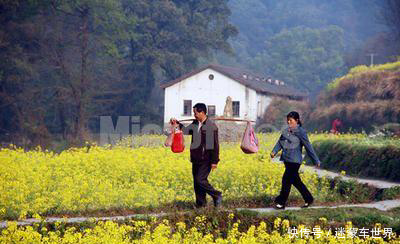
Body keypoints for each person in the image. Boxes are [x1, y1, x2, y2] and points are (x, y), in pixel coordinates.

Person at [170, 103, 222, 208]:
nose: (194, 115)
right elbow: (185, 131)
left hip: (206, 159)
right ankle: (201, 205)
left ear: (202, 112)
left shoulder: (211, 126)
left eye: (195, 113)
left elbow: (215, 146)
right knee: (197, 184)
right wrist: (177, 123)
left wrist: (214, 161)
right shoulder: (195, 123)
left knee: (200, 179)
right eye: (194, 113)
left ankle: (217, 195)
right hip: (195, 158)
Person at [270, 111, 321, 209]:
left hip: (295, 161)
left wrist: (316, 160)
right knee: (296, 181)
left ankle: (281, 202)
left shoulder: (301, 132)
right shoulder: (286, 131)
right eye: (287, 120)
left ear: (297, 121)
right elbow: (280, 143)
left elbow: (308, 146)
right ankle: (309, 199)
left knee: (286, 181)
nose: (289, 122)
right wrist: (274, 151)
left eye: (291, 120)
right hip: (287, 160)